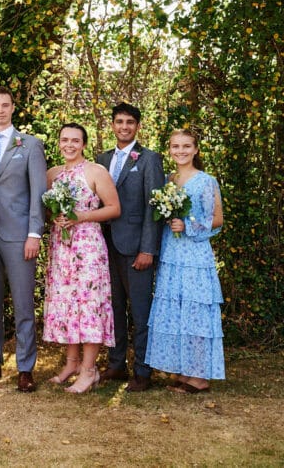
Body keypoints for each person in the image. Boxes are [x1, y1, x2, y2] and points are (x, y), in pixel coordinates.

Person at [0, 86, 48, 392]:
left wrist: (34, 234)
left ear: (13, 107)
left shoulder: (30, 145)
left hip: (19, 235)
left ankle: (25, 367)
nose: (0, 110)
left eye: (5, 105)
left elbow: (38, 192)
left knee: (23, 303)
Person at [42, 123, 120, 393]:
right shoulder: (52, 174)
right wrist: (55, 216)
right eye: (65, 140)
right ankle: (72, 364)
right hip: (62, 248)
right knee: (67, 305)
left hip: (87, 247)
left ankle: (89, 370)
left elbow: (114, 208)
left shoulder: (95, 171)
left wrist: (81, 216)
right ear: (59, 143)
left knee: (88, 305)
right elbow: (47, 210)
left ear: (84, 144)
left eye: (75, 140)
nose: (69, 145)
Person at [146, 128, 224, 394]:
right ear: (170, 149)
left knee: (195, 312)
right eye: (175, 146)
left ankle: (199, 377)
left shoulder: (206, 181)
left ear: (196, 150)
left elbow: (217, 219)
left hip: (194, 256)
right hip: (171, 254)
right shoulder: (168, 180)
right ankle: (183, 371)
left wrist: (188, 226)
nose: (180, 151)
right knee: (176, 312)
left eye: (186, 146)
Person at [96, 102, 164, 391]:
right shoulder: (101, 158)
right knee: (113, 308)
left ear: (137, 126)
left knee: (140, 311)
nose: (124, 127)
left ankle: (143, 370)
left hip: (136, 247)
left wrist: (148, 249)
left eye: (130, 122)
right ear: (112, 125)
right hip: (105, 246)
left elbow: (154, 208)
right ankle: (116, 364)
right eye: (119, 122)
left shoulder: (149, 159)